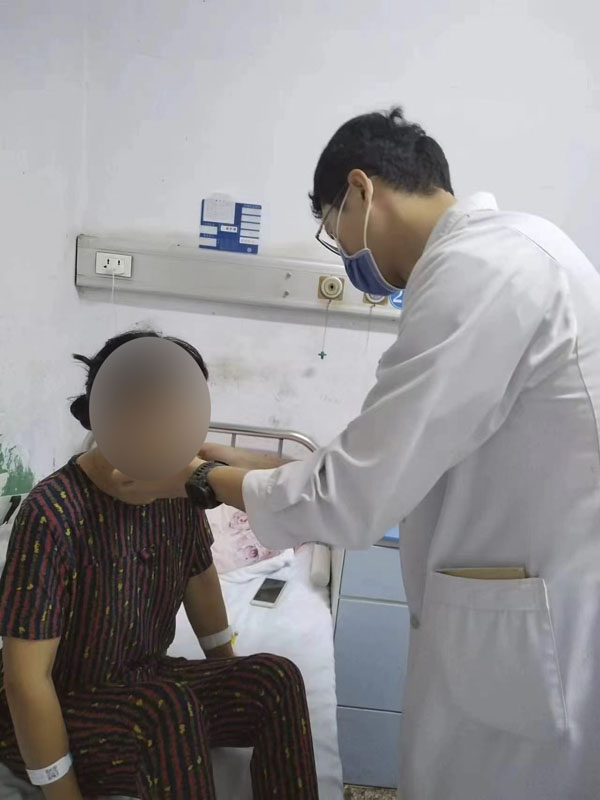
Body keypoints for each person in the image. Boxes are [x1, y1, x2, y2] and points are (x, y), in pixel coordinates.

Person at [106, 108, 600, 800]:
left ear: (362, 191)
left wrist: (200, 479)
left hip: (538, 634)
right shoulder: (512, 254)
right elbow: (378, 461)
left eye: (332, 230)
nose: (344, 256)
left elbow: (352, 491)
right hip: (525, 607)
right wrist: (230, 463)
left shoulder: (481, 272)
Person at [0, 330, 318, 800]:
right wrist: (62, 791)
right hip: (62, 707)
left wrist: (229, 679)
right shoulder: (53, 512)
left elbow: (200, 578)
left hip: (144, 680)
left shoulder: (178, 491)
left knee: (276, 679)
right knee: (168, 710)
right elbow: (26, 680)